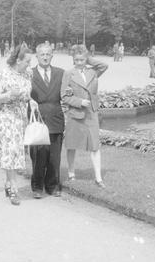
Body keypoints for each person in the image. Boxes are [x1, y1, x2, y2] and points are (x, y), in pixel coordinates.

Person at [0, 45, 35, 206]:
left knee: (17, 152)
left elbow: (27, 94)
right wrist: (8, 95)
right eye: (27, 61)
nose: (29, 64)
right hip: (5, 117)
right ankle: (14, 188)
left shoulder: (27, 74)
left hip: (20, 118)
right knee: (10, 150)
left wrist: (32, 100)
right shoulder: (1, 74)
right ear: (18, 60)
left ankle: (8, 183)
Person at [61, 44, 108, 188]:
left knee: (95, 145)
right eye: (77, 60)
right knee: (71, 144)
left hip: (91, 114)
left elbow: (104, 65)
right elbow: (64, 96)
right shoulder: (68, 74)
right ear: (73, 60)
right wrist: (80, 102)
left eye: (82, 59)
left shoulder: (92, 72)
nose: (79, 62)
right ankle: (71, 173)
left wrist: (89, 60)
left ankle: (98, 178)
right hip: (75, 114)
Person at [29, 43, 65, 199]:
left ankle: (53, 185)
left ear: (52, 55)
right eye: (42, 54)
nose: (45, 57)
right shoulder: (28, 74)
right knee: (38, 155)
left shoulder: (61, 73)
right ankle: (37, 186)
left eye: (48, 54)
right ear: (36, 56)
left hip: (56, 117)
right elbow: (23, 94)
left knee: (54, 155)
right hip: (38, 119)